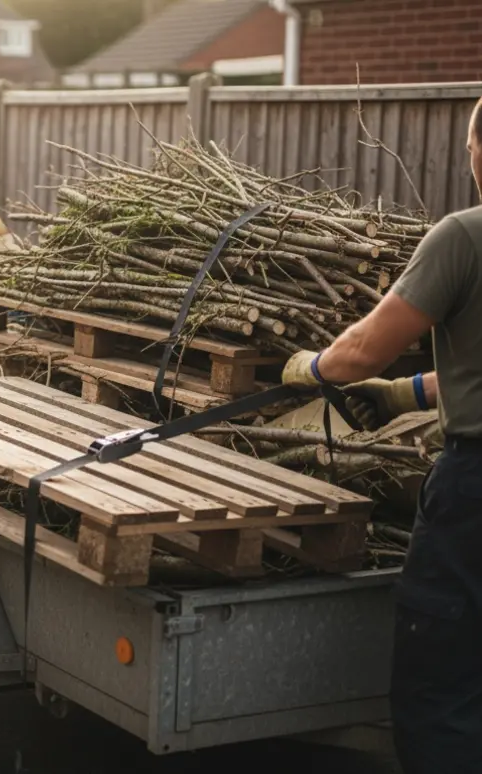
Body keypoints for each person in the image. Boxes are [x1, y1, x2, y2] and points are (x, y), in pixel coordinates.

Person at [281, 96, 482, 774]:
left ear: (480, 151)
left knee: (441, 682)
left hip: (477, 494)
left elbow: (366, 346)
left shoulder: (465, 236)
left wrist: (312, 367)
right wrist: (407, 393)